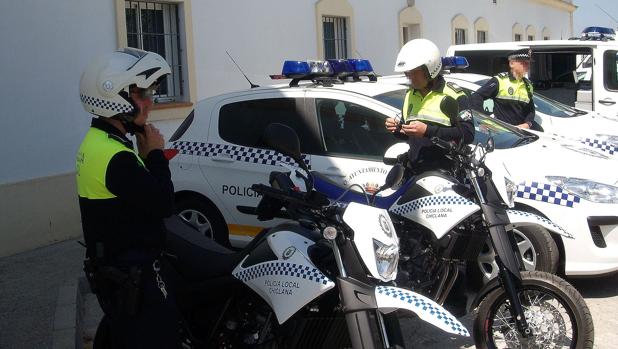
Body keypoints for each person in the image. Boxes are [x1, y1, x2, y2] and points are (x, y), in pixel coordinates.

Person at [76, 48, 182, 348]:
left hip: (115, 272)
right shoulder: (115, 157)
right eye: (142, 93)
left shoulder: (99, 141)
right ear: (115, 96)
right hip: (132, 274)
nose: (150, 102)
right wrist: (156, 155)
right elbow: (164, 203)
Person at [385, 38, 475, 172]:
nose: (410, 78)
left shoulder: (454, 94)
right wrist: (398, 129)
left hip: (445, 174)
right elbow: (412, 136)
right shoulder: (410, 95)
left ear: (430, 69)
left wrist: (428, 131)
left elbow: (468, 134)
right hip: (416, 172)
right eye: (407, 73)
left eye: (415, 72)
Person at [470, 48, 535, 129]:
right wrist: (482, 120)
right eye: (523, 63)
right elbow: (476, 96)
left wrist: (528, 123)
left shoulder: (528, 85)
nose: (527, 66)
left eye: (528, 63)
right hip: (501, 133)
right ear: (511, 63)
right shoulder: (500, 80)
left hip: (520, 134)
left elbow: (531, 108)